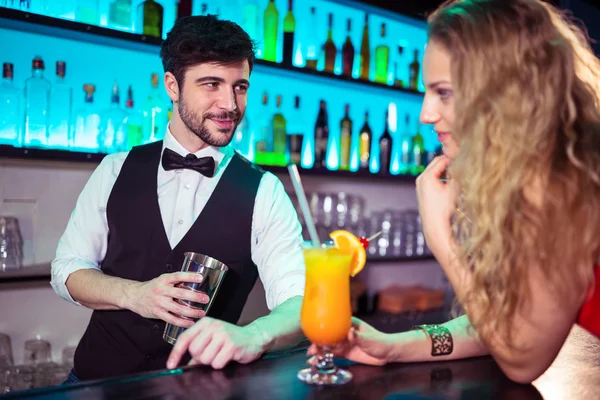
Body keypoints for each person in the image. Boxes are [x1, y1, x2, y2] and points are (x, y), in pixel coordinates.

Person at [310, 0, 600, 384]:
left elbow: (522, 358)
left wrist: (440, 236)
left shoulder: (565, 186)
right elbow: (499, 322)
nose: (425, 114)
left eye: (443, 92)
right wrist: (395, 346)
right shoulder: (537, 174)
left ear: (502, 93)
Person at [51, 15, 305, 382]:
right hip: (95, 383)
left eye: (240, 87)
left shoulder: (264, 191)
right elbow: (66, 270)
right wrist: (133, 294)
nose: (230, 104)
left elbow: (299, 303)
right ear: (173, 85)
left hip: (199, 388)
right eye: (211, 84)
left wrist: (254, 335)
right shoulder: (115, 169)